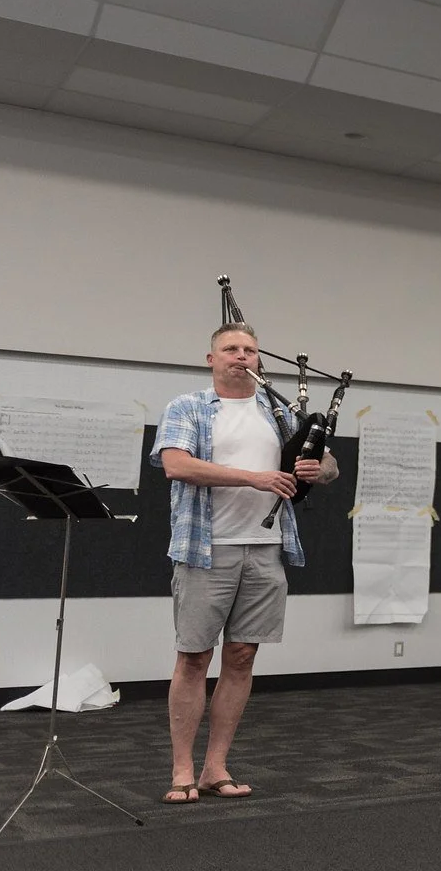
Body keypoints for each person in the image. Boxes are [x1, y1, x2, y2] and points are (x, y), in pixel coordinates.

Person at [151, 322, 338, 804]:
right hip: (205, 549)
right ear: (210, 359)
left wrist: (320, 468)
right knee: (193, 658)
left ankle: (215, 768)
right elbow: (176, 465)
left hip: (266, 548)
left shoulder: (278, 411)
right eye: (230, 349)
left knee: (242, 657)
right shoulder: (187, 407)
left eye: (250, 350)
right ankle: (181, 771)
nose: (241, 356)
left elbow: (329, 466)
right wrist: (251, 478)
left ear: (260, 361)